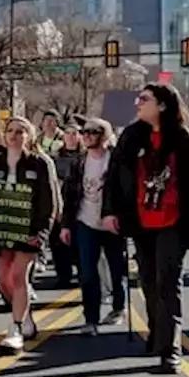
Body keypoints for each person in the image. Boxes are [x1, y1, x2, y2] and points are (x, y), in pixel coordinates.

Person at [102, 84, 189, 374]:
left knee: (168, 281)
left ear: (162, 105)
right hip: (141, 220)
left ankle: (170, 351)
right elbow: (114, 176)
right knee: (147, 280)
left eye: (144, 99)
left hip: (176, 220)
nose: (137, 103)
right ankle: (158, 334)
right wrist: (109, 211)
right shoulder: (132, 136)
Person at [0, 117, 60, 353]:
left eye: (20, 131)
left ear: (30, 136)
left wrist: (41, 234)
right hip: (1, 229)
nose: (14, 136)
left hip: (29, 230)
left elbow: (49, 202)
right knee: (4, 278)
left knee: (18, 275)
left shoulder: (39, 164)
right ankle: (25, 317)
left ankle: (14, 330)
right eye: (10, 131)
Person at [59, 118, 126, 336]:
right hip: (85, 221)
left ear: (104, 136)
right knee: (87, 271)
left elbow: (127, 192)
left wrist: (122, 216)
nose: (86, 135)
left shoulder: (117, 161)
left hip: (112, 224)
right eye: (84, 132)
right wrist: (66, 225)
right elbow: (69, 195)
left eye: (93, 132)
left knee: (117, 268)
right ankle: (91, 318)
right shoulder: (79, 162)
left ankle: (118, 307)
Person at [49, 120, 84, 288]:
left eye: (75, 133)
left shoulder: (84, 157)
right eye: (68, 133)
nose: (71, 137)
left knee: (79, 243)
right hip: (60, 202)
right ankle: (63, 275)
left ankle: (83, 272)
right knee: (58, 243)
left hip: (79, 203)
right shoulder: (55, 158)